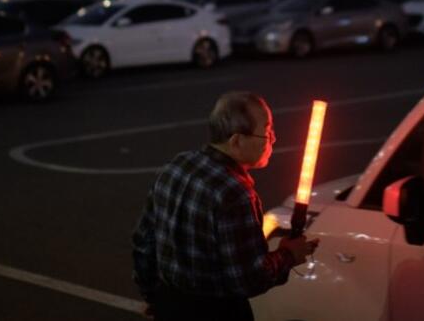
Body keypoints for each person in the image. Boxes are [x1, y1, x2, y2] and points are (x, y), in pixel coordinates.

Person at [132, 92, 318, 321]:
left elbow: (144, 242)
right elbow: (248, 278)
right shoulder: (234, 193)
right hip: (216, 312)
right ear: (237, 140)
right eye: (267, 132)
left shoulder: (176, 165)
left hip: (170, 303)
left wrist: (153, 297)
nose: (273, 139)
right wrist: (289, 254)